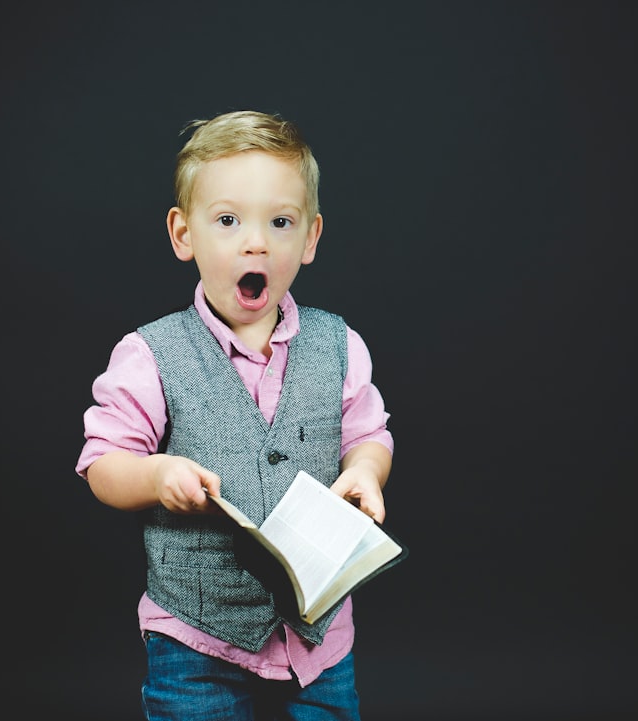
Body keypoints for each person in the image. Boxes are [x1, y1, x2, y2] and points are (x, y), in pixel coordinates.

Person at [75, 110, 394, 721]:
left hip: (318, 641)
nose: (257, 242)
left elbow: (368, 433)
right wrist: (154, 475)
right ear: (183, 234)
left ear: (310, 238)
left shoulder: (339, 344)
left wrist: (366, 471)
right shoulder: (150, 354)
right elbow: (101, 464)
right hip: (196, 638)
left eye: (280, 222)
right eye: (228, 221)